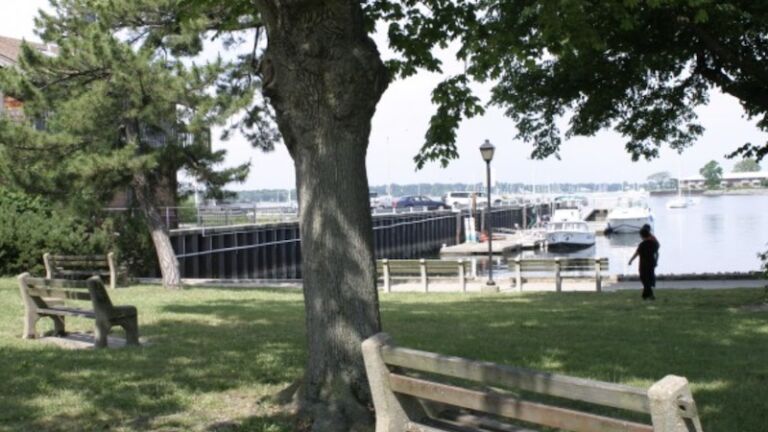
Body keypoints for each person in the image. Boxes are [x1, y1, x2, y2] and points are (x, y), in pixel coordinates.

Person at [628, 224, 660, 300]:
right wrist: (656, 261)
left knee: (644, 279)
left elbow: (637, 253)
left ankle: (650, 296)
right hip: (652, 263)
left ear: (642, 236)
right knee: (648, 279)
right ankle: (645, 296)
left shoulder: (642, 245)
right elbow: (657, 253)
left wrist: (631, 260)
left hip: (643, 265)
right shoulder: (654, 243)